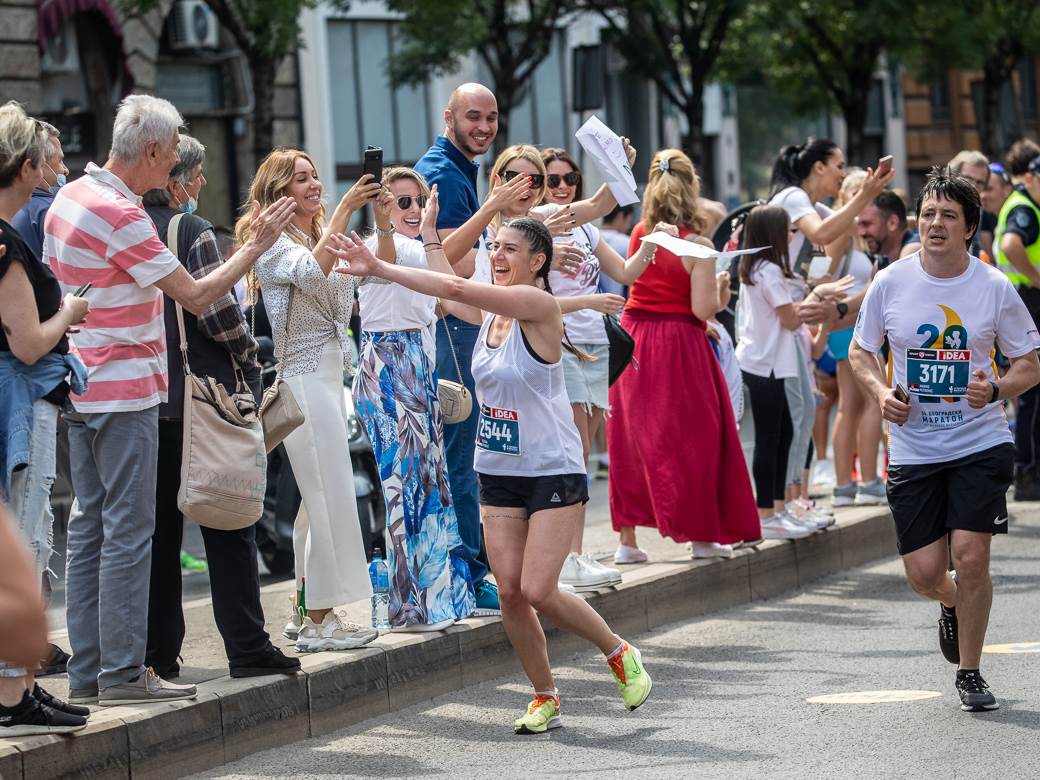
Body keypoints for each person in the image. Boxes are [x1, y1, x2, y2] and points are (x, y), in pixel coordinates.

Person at [336, 217, 653, 734]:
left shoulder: (538, 305)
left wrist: (378, 266)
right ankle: (545, 695)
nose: (498, 256)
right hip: (497, 469)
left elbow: (455, 287)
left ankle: (618, 651)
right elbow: (446, 283)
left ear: (537, 261)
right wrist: (430, 233)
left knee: (539, 590)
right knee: (508, 592)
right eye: (495, 247)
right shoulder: (489, 315)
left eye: (510, 249)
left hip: (552, 468)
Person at [46, 95, 295, 706]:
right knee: (128, 534)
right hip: (125, 390)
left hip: (82, 384)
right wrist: (254, 245)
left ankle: (91, 671)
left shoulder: (70, 196)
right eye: (172, 153)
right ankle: (123, 674)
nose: (174, 167)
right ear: (152, 149)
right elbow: (198, 294)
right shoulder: (120, 213)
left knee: (90, 529)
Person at [850, 166, 1040, 713]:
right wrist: (880, 392)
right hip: (914, 447)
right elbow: (861, 351)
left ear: (970, 227)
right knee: (925, 574)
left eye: (948, 216)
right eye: (928, 213)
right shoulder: (890, 282)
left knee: (972, 555)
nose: (935, 223)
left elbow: (1029, 364)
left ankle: (970, 671)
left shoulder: (994, 287)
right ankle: (952, 601)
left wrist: (996, 388)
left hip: (980, 441)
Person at [141, 134, 300, 678]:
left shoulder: (127, 226)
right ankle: (248, 647)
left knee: (159, 533)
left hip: (149, 399)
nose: (203, 184)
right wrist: (250, 358)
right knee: (229, 521)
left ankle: (159, 655)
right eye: (197, 176)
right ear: (177, 181)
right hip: (204, 398)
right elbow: (220, 315)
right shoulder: (191, 230)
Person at [241, 149, 379, 652]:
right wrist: (345, 210)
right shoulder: (273, 241)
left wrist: (376, 220)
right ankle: (321, 622)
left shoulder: (316, 235)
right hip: (302, 377)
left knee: (315, 502)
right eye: (301, 179)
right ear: (280, 192)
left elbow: (349, 287)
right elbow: (313, 273)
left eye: (315, 175)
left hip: (330, 375)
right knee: (327, 497)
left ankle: (306, 613)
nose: (314, 184)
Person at [609, 150, 760, 562]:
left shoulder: (641, 232)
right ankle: (701, 537)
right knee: (694, 440)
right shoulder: (699, 245)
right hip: (679, 345)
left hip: (635, 341)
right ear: (693, 187)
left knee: (632, 440)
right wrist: (721, 287)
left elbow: (639, 285)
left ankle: (627, 541)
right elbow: (702, 309)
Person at [535, 147, 673, 576]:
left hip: (596, 345)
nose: (562, 187)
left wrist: (653, 242)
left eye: (570, 178)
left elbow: (627, 272)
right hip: (562, 346)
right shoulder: (538, 222)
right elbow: (533, 300)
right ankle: (568, 557)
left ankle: (575, 554)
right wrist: (617, 163)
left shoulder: (585, 229)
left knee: (582, 452)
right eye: (553, 179)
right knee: (574, 452)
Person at [0, 101, 90, 735]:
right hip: (22, 401)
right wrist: (70, 313)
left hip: (21, 401)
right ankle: (12, 696)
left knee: (29, 538)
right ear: (25, 166)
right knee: (28, 541)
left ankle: (22, 687)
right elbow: (29, 343)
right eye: (43, 158)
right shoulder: (5, 242)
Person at [353, 167, 476, 630]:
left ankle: (434, 598)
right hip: (389, 365)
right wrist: (490, 208)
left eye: (418, 201)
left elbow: (458, 296)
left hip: (417, 366)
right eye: (400, 201)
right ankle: (410, 606)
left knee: (428, 484)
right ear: (382, 206)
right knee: (404, 488)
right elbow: (392, 257)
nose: (412, 209)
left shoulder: (419, 247)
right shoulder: (382, 245)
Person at [768, 139, 893, 509]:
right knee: (797, 413)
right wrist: (864, 193)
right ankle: (787, 504)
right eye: (839, 165)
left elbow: (848, 227)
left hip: (796, 313)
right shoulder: (793, 197)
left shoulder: (813, 205)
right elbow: (823, 236)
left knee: (806, 410)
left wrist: (874, 195)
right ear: (818, 167)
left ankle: (799, 501)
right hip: (781, 313)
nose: (842, 172)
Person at [414, 83, 500, 614]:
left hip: (462, 328)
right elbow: (450, 264)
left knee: (465, 457)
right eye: (473, 117)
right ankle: (470, 573)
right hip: (454, 332)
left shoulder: (458, 167)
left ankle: (471, 567)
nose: (484, 127)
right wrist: (491, 213)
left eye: (491, 117)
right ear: (449, 117)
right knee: (461, 459)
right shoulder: (443, 172)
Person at [736, 206, 817, 540]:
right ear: (772, 232)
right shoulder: (767, 270)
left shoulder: (760, 268)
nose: (792, 235)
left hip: (767, 362)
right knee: (771, 439)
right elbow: (791, 320)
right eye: (788, 229)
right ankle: (767, 513)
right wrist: (818, 298)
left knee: (781, 434)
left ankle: (778, 510)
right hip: (765, 364)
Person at [825, 170, 885, 508]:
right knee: (871, 401)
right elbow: (819, 279)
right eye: (860, 192)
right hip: (849, 325)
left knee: (850, 405)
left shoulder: (856, 231)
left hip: (851, 324)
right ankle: (868, 481)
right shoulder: (842, 232)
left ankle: (846, 486)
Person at [994, 152, 1040, 501]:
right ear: (1030, 178)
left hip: (1023, 303)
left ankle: (1028, 469)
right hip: (1029, 301)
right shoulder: (1024, 208)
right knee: (1033, 392)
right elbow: (1011, 245)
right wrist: (1037, 278)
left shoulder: (1025, 204)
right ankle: (1028, 471)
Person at [11, 120, 66, 259]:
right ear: (39, 165)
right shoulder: (52, 210)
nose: (66, 170)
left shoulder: (10, 207)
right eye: (60, 161)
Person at [949, 150, 992, 257]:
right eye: (968, 179)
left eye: (980, 182)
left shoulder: (977, 208)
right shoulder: (938, 203)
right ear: (952, 177)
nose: (973, 186)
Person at [598, 204, 636, 297]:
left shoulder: (589, 236)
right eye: (629, 220)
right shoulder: (626, 242)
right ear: (620, 216)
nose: (628, 226)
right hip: (614, 300)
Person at [982, 163, 1014, 258]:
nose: (982, 196)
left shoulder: (1019, 212)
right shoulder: (985, 213)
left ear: (1007, 190)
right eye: (981, 190)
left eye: (988, 189)